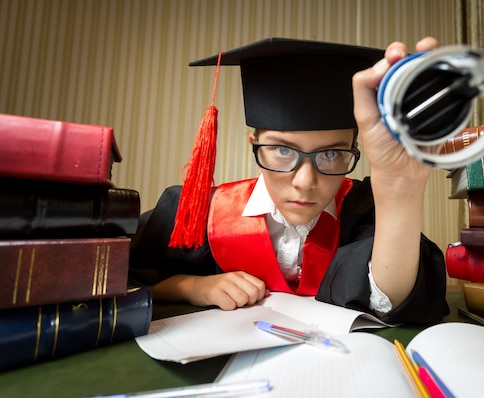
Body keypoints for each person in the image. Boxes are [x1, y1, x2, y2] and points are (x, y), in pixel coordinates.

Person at [130, 37, 450, 325]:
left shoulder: (364, 206)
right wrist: (190, 286)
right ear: (253, 143)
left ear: (355, 150)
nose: (304, 181)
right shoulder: (197, 212)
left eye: (331, 154)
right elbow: (117, 277)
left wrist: (400, 190)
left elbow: (391, 300)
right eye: (283, 150)